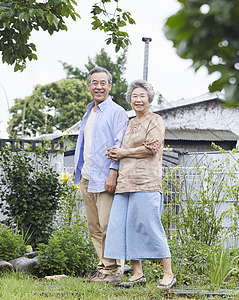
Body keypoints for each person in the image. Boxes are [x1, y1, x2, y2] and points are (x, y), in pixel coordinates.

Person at [104, 79, 176, 289]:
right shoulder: (128, 123)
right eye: (134, 96)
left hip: (147, 182)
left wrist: (123, 152)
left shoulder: (156, 120)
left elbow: (151, 148)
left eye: (141, 95)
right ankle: (137, 274)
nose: (137, 99)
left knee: (150, 226)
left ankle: (168, 274)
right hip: (125, 182)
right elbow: (118, 149)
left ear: (149, 99)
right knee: (127, 227)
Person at [74, 66, 129, 284]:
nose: (98, 86)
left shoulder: (117, 112)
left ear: (110, 86)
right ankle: (104, 268)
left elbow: (120, 144)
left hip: (105, 177)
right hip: (87, 176)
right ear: (88, 86)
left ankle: (114, 269)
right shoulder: (89, 112)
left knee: (108, 225)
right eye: (94, 83)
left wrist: (113, 173)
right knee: (94, 226)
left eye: (102, 83)